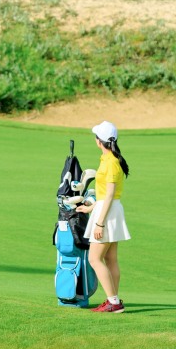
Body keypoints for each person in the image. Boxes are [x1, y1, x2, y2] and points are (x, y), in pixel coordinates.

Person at [77, 121, 131, 313]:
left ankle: (113, 302)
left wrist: (99, 223)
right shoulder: (110, 159)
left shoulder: (111, 163)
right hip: (108, 210)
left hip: (107, 213)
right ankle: (114, 299)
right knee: (110, 258)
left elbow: (109, 194)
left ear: (99, 141)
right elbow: (105, 196)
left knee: (94, 258)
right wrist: (91, 208)